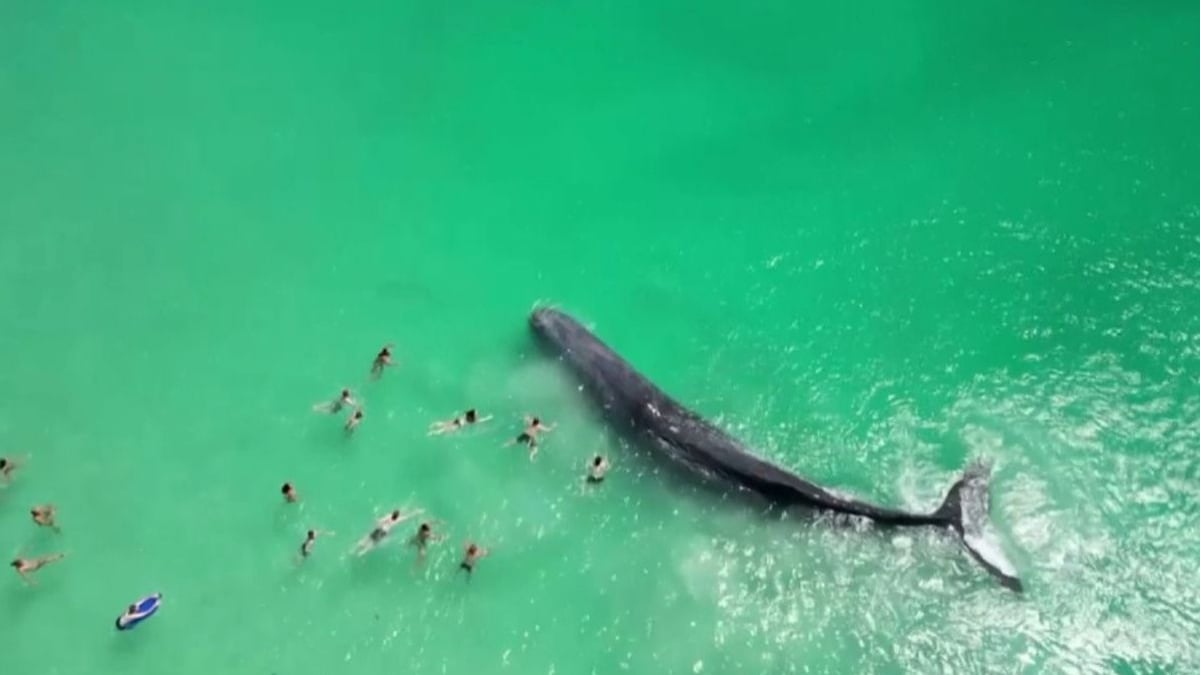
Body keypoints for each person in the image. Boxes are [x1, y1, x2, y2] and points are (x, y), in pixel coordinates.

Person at [354, 508, 422, 556]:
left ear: (392, 514)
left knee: (368, 538)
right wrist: (416, 512)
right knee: (373, 544)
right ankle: (362, 552)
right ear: (397, 516)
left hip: (379, 529)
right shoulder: (398, 520)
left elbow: (380, 520)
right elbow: (407, 517)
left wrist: (376, 521)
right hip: (384, 533)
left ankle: (355, 547)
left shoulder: (388, 516)